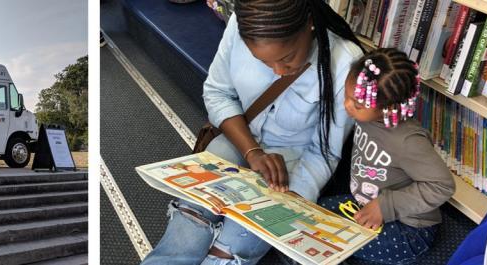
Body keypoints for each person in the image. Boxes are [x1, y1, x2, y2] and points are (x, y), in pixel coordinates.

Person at [141, 0, 365, 264]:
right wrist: (252, 152)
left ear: (309, 24)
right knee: (192, 214)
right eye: (263, 62)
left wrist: (292, 202)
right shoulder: (241, 24)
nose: (278, 71)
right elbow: (217, 93)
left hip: (295, 165)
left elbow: (325, 151)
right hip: (237, 141)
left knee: (233, 247)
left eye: (287, 58)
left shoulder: (346, 61)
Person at [316, 48, 455, 264]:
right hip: (365, 202)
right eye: (347, 96)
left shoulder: (409, 141)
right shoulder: (368, 115)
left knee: (330, 239)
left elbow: (442, 185)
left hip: (409, 229)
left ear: (389, 109)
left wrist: (385, 206)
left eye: (357, 104)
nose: (346, 105)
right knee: (313, 216)